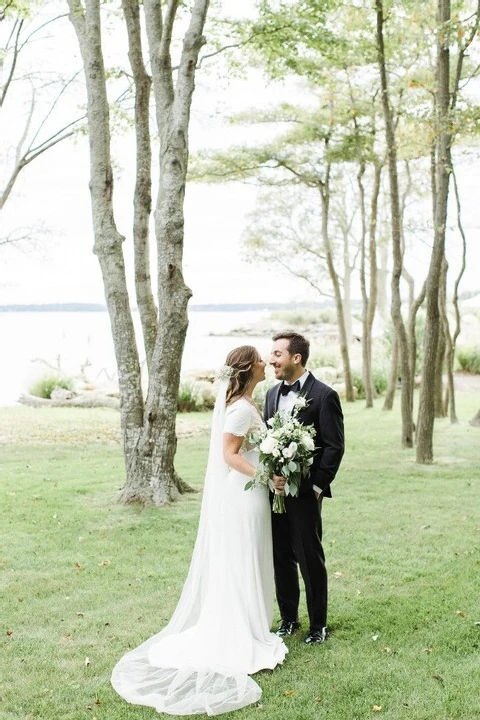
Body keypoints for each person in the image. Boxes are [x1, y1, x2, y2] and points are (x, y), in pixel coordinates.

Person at [111, 345, 287, 716]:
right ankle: (239, 631)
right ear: (247, 368)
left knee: (251, 556)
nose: (264, 363)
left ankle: (255, 625)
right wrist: (266, 478)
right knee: (242, 558)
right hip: (244, 494)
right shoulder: (239, 410)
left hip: (249, 493)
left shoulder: (249, 403)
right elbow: (230, 455)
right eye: (259, 359)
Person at [264, 332, 345, 645]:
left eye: (277, 354)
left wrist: (316, 487)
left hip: (305, 493)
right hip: (276, 492)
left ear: (295, 358)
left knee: (310, 558)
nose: (272, 360)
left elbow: (334, 447)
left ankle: (318, 626)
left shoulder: (325, 396)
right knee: (281, 556)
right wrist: (273, 478)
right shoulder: (271, 394)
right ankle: (288, 620)